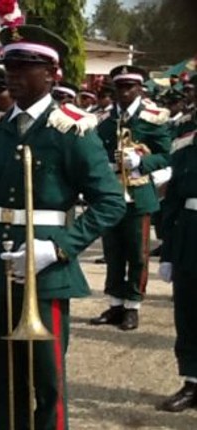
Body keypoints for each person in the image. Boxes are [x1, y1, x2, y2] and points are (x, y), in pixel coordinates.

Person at [0, 25, 126, 430]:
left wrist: (58, 248)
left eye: (26, 67)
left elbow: (111, 202)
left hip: (46, 266)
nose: (14, 76)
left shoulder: (71, 131)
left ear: (52, 74)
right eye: (9, 67)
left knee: (46, 379)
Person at [89, 65, 172, 331]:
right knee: (113, 252)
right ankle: (115, 302)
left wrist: (140, 161)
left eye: (129, 87)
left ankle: (132, 305)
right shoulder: (104, 119)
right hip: (111, 193)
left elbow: (167, 154)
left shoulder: (153, 118)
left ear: (139, 88)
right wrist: (107, 165)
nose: (124, 92)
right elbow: (93, 151)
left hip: (139, 192)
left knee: (137, 254)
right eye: (119, 87)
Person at [157, 130, 197, 412]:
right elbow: (170, 206)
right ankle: (193, 382)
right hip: (190, 239)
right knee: (188, 315)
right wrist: (168, 253)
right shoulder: (184, 151)